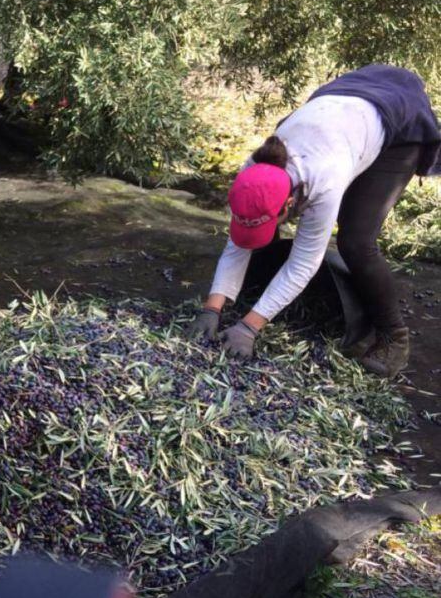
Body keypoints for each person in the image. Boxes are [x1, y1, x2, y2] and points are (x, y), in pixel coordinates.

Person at [188, 64, 441, 378]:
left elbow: (305, 261)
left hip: (395, 125)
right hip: (340, 111)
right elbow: (239, 243)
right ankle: (265, 295)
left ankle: (394, 336)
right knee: (262, 237)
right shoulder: (253, 171)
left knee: (356, 241)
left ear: (291, 203)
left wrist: (249, 327)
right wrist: (212, 307)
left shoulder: (325, 177)